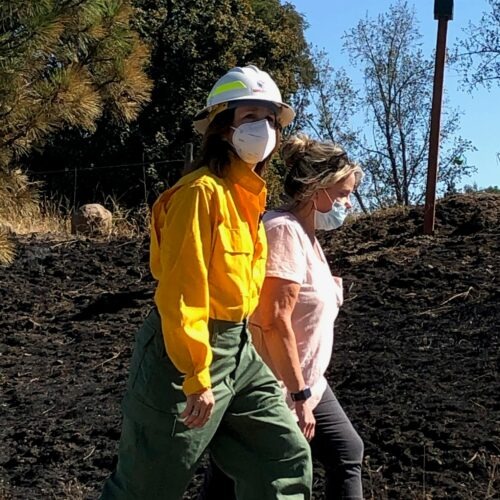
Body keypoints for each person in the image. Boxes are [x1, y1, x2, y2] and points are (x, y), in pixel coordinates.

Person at [100, 67, 312, 499]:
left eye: (272, 119)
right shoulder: (199, 194)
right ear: (221, 129)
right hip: (185, 354)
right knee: (148, 486)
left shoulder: (246, 197)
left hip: (239, 352)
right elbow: (183, 290)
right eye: (252, 116)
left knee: (283, 456)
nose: (265, 129)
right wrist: (197, 374)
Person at [199, 133, 365, 499]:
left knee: (345, 452)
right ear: (316, 189)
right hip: (276, 384)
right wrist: (299, 394)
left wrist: (307, 389)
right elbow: (271, 319)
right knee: (240, 474)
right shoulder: (283, 231)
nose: (348, 205)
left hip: (309, 381)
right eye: (342, 195)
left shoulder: (308, 237)